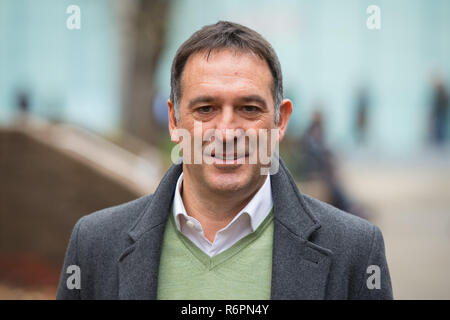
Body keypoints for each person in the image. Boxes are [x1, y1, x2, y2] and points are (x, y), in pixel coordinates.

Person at [57, 21, 393, 300]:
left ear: (280, 121)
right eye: (206, 109)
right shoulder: (94, 243)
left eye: (249, 108)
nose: (228, 131)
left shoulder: (356, 250)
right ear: (174, 121)